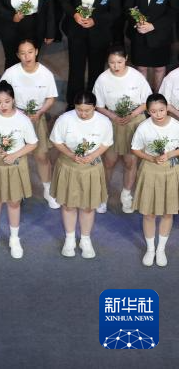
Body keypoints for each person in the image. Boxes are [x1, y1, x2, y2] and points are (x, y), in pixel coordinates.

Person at [0, 80, 38, 259]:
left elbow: (33, 143)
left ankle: (14, 238)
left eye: (7, 101)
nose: (3, 106)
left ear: (13, 100)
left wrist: (15, 155)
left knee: (14, 202)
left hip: (15, 165)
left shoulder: (22, 120)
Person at [49, 91, 113, 259]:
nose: (83, 114)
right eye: (79, 110)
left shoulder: (104, 122)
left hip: (91, 166)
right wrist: (71, 155)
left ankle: (85, 239)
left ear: (94, 107)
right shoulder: (65, 119)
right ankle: (69, 238)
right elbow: (56, 141)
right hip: (69, 165)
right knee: (68, 205)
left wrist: (93, 156)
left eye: (87, 110)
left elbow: (106, 143)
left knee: (88, 206)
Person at [0, 38, 60, 208]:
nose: (27, 56)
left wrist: (40, 112)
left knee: (41, 156)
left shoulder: (46, 74)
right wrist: (14, 111)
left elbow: (51, 98)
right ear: (18, 55)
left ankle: (48, 190)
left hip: (37, 118)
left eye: (30, 52)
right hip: (15, 119)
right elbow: (1, 95)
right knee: (16, 157)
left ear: (36, 52)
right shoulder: (11, 73)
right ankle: (17, 191)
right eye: (23, 53)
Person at [94, 46, 152, 216]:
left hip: (133, 122)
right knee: (109, 161)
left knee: (130, 161)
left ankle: (126, 195)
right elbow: (98, 106)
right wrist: (113, 115)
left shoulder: (136, 76)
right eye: (112, 62)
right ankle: (103, 195)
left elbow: (147, 101)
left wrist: (132, 114)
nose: (116, 66)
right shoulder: (102, 79)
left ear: (126, 58)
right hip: (112, 122)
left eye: (119, 62)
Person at [61, 0, 122, 104]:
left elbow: (116, 11)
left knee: (96, 69)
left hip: (99, 34)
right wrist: (74, 14)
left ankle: (93, 103)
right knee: (76, 69)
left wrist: (96, 20)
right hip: (76, 31)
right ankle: (73, 103)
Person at [131, 93, 179, 267]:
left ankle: (161, 249)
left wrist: (170, 154)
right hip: (150, 170)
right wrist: (151, 158)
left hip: (172, 170)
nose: (158, 114)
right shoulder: (143, 127)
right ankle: (151, 249)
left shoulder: (176, 126)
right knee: (149, 213)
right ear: (148, 111)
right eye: (153, 111)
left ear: (167, 108)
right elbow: (135, 149)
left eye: (161, 110)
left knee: (168, 212)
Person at [126, 0, 179, 92]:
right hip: (139, 31)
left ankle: (157, 98)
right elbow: (128, 6)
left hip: (160, 33)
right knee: (141, 67)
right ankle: (143, 98)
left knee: (159, 68)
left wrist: (153, 25)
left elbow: (174, 10)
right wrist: (138, 22)